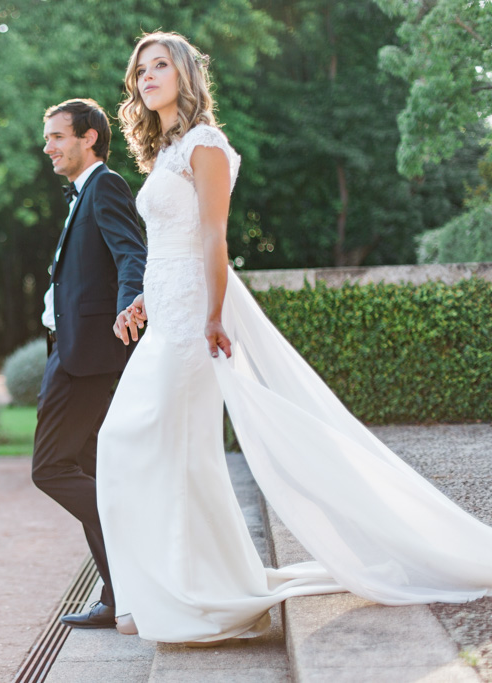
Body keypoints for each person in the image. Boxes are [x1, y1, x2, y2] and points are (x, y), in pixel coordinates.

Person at [96, 31, 492, 645]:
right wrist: (146, 294)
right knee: (151, 447)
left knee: (143, 443)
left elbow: (213, 238)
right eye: (140, 68)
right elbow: (171, 246)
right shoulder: (165, 152)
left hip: (192, 321)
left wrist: (214, 315)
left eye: (160, 66)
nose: (147, 76)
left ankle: (182, 594)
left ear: (184, 77)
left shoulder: (206, 145)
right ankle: (177, 591)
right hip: (166, 311)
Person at [31, 98, 147, 629]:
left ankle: (134, 551)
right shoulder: (81, 194)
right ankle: (117, 593)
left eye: (57, 136)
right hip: (72, 350)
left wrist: (130, 304)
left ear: (89, 138)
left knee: (51, 468)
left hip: (88, 357)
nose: (48, 146)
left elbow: (131, 253)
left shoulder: (105, 185)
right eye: (48, 137)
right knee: (92, 469)